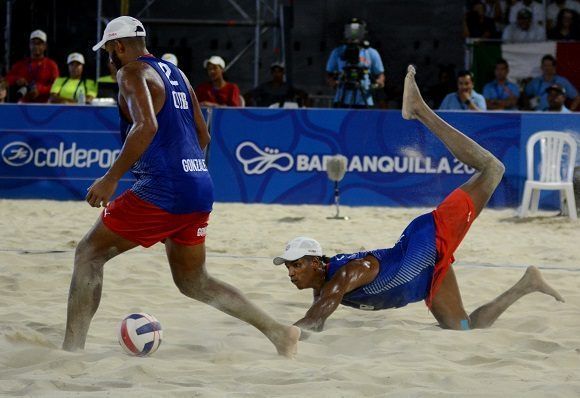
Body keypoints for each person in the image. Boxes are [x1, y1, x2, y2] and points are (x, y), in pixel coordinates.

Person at [62, 16, 299, 357]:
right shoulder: (177, 74)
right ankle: (279, 333)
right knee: (193, 281)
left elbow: (145, 126)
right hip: (199, 185)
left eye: (108, 51)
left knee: (88, 254)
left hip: (163, 189)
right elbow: (204, 135)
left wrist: (111, 178)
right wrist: (186, 172)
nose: (108, 59)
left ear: (118, 46)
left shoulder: (129, 73)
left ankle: (71, 352)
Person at [273, 65, 564, 333]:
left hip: (428, 240)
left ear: (316, 263)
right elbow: (316, 322)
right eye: (289, 266)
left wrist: (272, 333)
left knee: (493, 169)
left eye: (296, 264)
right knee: (463, 328)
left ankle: (420, 109)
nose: (291, 272)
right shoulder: (322, 288)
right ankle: (527, 284)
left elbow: (315, 319)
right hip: (426, 275)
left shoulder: (348, 273)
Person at [326, 18, 385, 108]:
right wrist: (334, 83)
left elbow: (380, 75)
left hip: (364, 99)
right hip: (342, 98)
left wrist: (377, 83)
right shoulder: (338, 52)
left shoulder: (371, 52)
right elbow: (329, 73)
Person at [5, 29, 59, 103]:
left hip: (44, 104)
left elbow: (56, 87)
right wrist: (17, 79)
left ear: (45, 46)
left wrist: (40, 89)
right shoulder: (21, 64)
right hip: (24, 104)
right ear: (29, 45)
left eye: (39, 43)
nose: (36, 46)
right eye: (33, 43)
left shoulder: (51, 65)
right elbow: (7, 79)